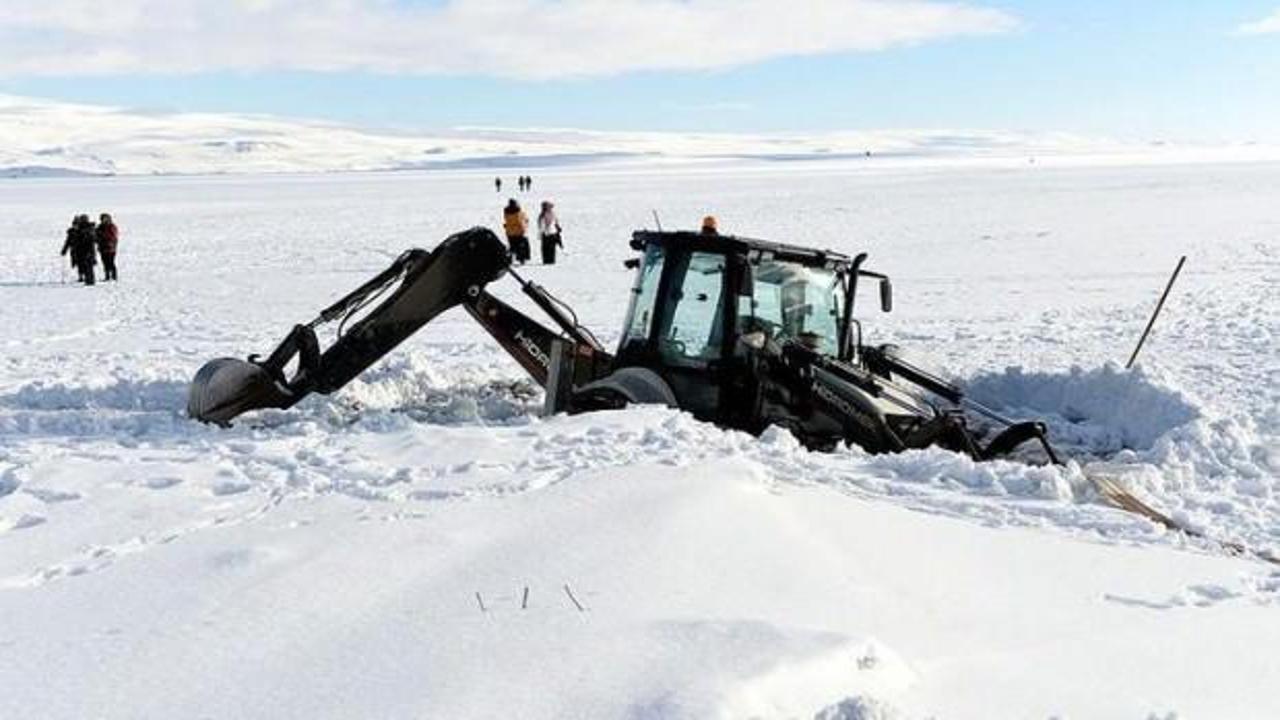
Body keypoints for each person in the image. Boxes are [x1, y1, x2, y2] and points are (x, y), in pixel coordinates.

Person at [502, 199, 531, 264]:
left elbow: (507, 220)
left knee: (512, 246)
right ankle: (521, 259)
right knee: (521, 246)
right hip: (519, 232)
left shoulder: (506, 212)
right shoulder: (519, 212)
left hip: (509, 232)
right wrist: (524, 229)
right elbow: (522, 221)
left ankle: (509, 258)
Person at [537, 201, 563, 265]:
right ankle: (551, 260)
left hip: (546, 234)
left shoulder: (542, 215)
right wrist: (558, 228)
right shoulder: (552, 213)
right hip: (552, 233)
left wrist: (540, 234)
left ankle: (547, 260)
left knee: (546, 249)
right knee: (551, 249)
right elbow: (556, 222)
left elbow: (541, 226)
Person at [96, 213, 119, 281]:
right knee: (104, 262)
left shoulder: (112, 226)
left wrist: (102, 235)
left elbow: (113, 236)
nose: (104, 220)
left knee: (111, 262)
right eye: (103, 219)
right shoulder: (100, 227)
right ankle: (107, 276)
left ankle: (114, 276)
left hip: (110, 248)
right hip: (102, 247)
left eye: (105, 218)